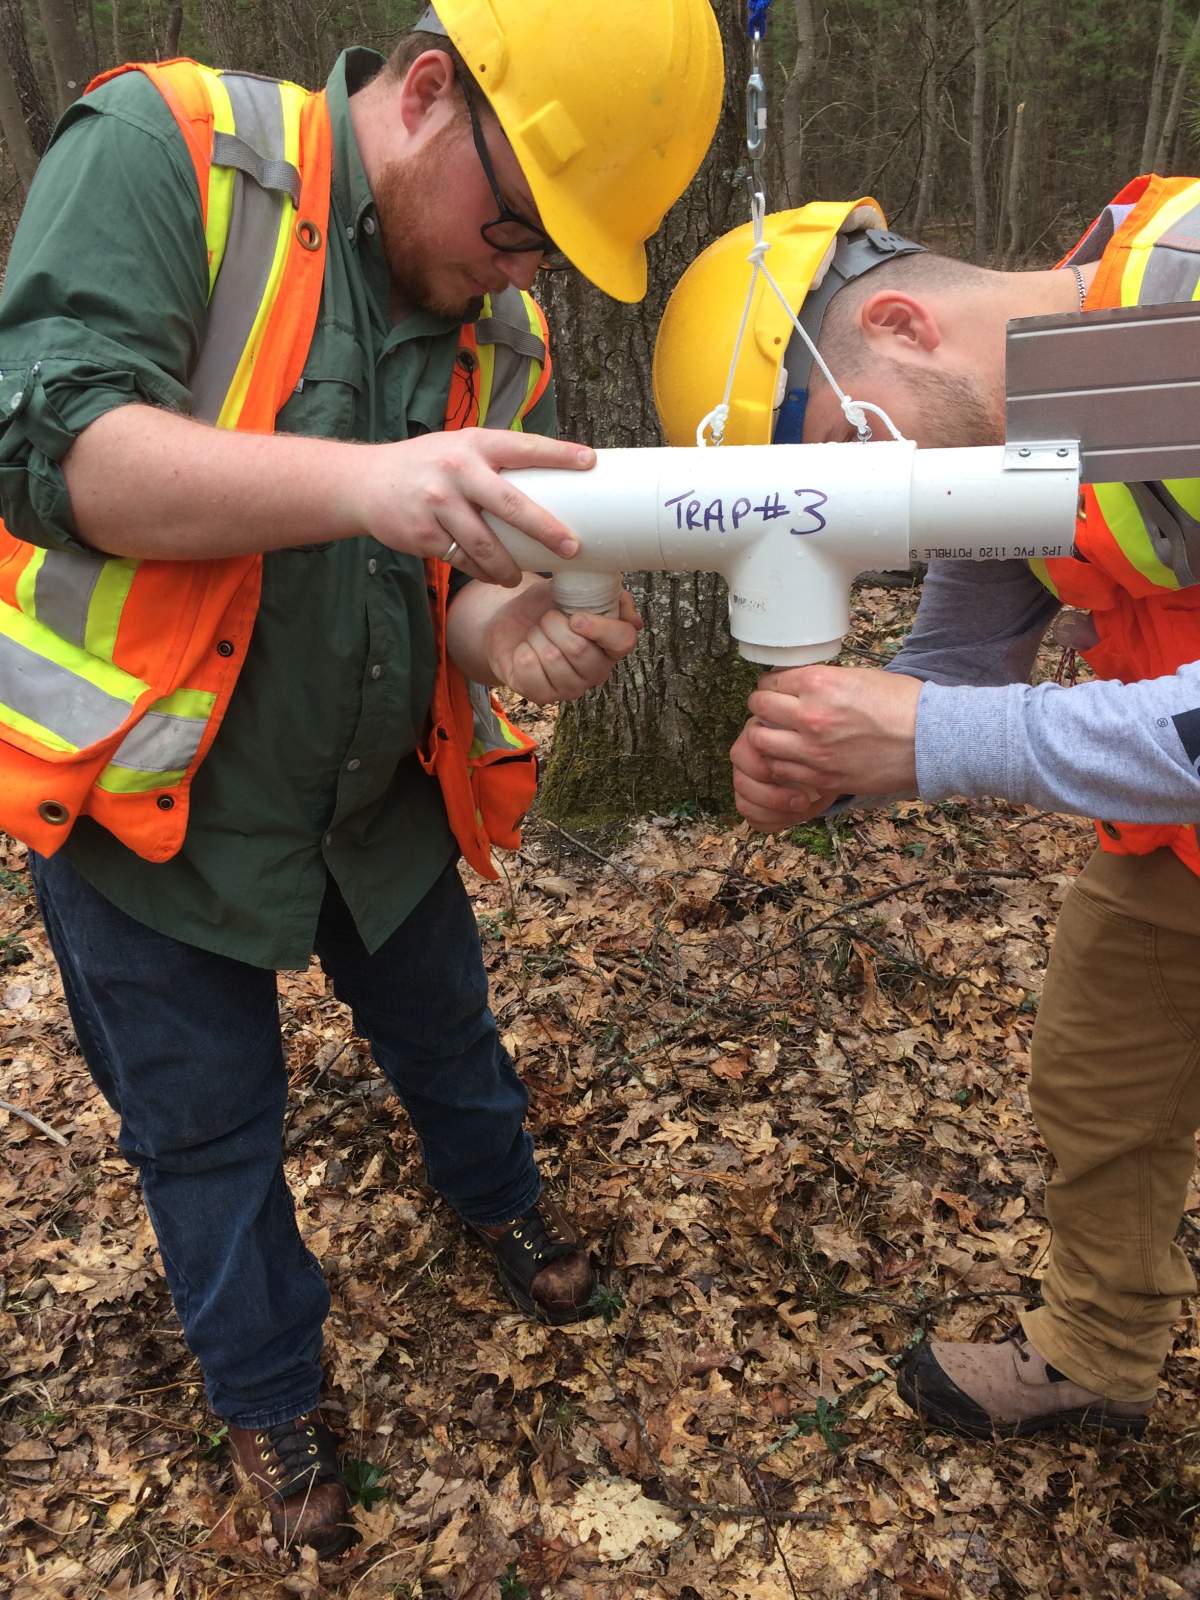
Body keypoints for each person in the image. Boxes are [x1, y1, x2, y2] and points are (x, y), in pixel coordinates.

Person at [0, 0, 723, 1557]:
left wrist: (502, 635)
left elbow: (434, 578)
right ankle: (273, 1399)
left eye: (550, 252)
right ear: (425, 90)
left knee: (450, 1032)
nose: (522, 272)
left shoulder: (500, 327)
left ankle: (502, 1201)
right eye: (519, 223)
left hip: (376, 797)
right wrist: (370, 482)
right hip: (154, 804)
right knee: (207, 1136)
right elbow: (51, 449)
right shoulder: (169, 153)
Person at [653, 178, 1200, 1442]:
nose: (865, 524)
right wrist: (831, 757)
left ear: (900, 326)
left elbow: (955, 723)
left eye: (843, 460)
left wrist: (933, 739)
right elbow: (958, 664)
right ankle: (1098, 1353)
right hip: (1169, 835)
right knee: (1100, 1084)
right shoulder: (1029, 410)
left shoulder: (1177, 308)